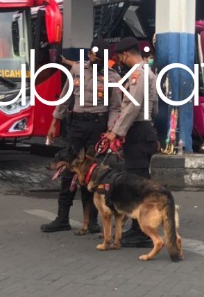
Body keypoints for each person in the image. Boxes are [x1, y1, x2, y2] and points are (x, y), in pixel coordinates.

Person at [41, 40, 121, 234]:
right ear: (89, 55)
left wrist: (110, 132)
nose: (96, 60)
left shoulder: (113, 77)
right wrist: (54, 122)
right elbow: (65, 96)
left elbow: (115, 107)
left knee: (92, 173)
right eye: (94, 56)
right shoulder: (76, 69)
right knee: (68, 171)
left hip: (97, 127)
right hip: (76, 126)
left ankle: (91, 221)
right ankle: (62, 218)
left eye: (100, 57)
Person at [102, 36, 159, 248]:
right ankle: (139, 228)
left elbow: (132, 107)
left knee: (138, 185)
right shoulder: (146, 73)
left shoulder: (138, 74)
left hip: (138, 132)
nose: (121, 61)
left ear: (126, 54)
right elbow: (154, 108)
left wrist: (116, 132)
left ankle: (142, 232)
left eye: (120, 57)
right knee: (139, 182)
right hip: (143, 130)